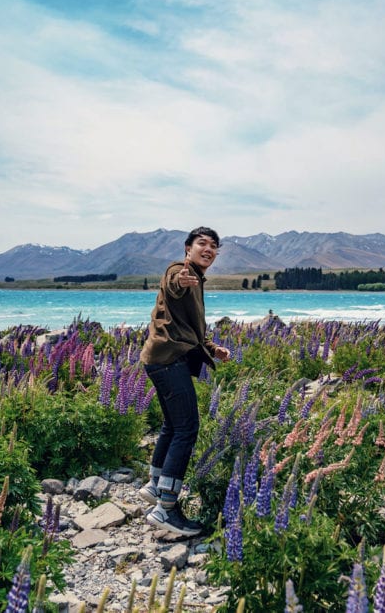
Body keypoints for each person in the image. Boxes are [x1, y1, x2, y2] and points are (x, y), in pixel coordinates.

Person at [138, 226, 231, 536]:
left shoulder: (198, 279)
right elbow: (173, 283)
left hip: (159, 359)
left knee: (172, 426)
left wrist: (212, 349)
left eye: (214, 246)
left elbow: (188, 327)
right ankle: (166, 509)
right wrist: (180, 280)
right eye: (202, 244)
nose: (209, 249)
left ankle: (155, 485)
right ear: (187, 249)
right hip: (169, 362)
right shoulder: (180, 271)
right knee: (188, 428)